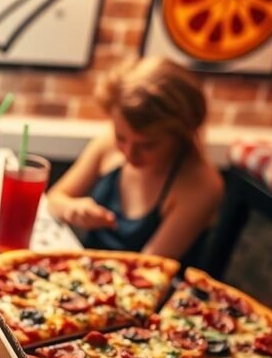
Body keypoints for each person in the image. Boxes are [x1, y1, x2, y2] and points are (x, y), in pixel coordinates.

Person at [47, 57, 223, 266]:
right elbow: (53, 199)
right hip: (87, 276)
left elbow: (147, 272)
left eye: (148, 145)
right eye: (121, 138)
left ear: (180, 135)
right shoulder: (107, 143)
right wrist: (72, 209)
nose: (129, 154)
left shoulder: (201, 184)